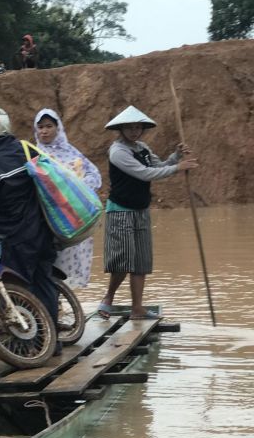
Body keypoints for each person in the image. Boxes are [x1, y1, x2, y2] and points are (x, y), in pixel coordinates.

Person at [0, 106, 59, 352]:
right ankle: (53, 343)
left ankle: (31, 345)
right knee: (45, 283)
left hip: (16, 237)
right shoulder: (27, 148)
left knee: (20, 290)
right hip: (44, 230)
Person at [98, 105, 199, 319]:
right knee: (122, 261)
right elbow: (145, 174)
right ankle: (108, 298)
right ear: (121, 129)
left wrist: (176, 156)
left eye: (138, 127)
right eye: (130, 128)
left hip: (141, 210)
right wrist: (178, 168)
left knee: (141, 262)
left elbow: (158, 166)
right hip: (121, 211)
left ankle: (137, 308)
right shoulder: (118, 151)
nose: (134, 131)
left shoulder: (142, 148)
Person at [34, 108, 102, 288]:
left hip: (74, 218)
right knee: (52, 265)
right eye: (40, 127)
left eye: (49, 126)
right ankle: (54, 298)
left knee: (69, 263)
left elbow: (93, 174)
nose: (44, 131)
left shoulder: (71, 152)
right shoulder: (34, 155)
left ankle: (64, 297)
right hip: (51, 219)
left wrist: (77, 188)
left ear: (58, 128)